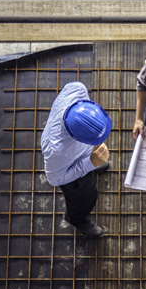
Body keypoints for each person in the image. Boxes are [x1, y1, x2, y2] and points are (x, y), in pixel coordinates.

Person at [41, 82, 112, 238]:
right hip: (69, 168)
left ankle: (93, 165)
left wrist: (92, 159)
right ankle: (77, 219)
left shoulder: (77, 90)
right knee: (87, 197)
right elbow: (55, 179)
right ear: (77, 138)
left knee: (93, 167)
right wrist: (89, 164)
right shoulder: (57, 152)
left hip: (81, 155)